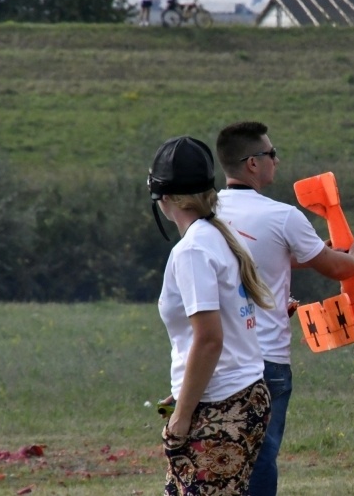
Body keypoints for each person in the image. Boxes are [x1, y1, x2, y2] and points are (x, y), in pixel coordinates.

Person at [215, 121, 354, 496]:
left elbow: (263, 256)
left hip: (216, 357)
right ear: (253, 163)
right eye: (271, 154)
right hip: (266, 360)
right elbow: (338, 267)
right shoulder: (282, 216)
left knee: (220, 454)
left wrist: (317, 249)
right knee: (262, 455)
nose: (277, 160)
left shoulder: (208, 214)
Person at [148, 136, 275, 495]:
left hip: (221, 405)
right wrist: (184, 389)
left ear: (164, 199)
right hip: (242, 393)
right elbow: (229, 328)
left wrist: (182, 417)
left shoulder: (192, 250)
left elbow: (208, 340)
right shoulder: (218, 235)